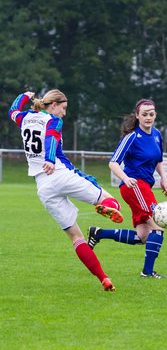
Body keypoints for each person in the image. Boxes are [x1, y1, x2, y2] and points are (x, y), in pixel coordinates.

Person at [8, 89, 124, 291]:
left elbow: (13, 110)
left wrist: (26, 95)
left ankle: (104, 278)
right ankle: (103, 207)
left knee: (76, 238)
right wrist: (50, 159)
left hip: (43, 187)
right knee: (111, 201)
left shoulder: (25, 118)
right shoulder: (52, 120)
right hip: (60, 173)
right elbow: (51, 138)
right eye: (63, 108)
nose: (64, 113)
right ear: (53, 105)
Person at [88, 98, 167, 278]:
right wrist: (126, 178)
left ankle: (99, 233)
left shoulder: (156, 135)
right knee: (158, 227)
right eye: (144, 114)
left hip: (145, 187)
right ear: (138, 116)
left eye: (151, 114)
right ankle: (147, 272)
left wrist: (164, 178)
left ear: (155, 115)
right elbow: (113, 163)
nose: (148, 117)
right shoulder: (132, 137)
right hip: (134, 186)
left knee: (143, 236)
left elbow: (158, 160)